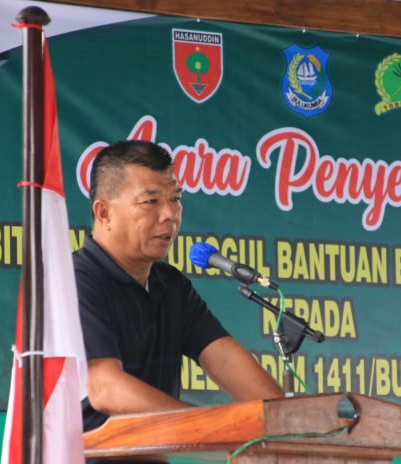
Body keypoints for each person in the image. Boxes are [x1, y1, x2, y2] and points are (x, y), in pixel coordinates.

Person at [74, 140, 283, 433]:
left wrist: (286, 424)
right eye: (151, 201)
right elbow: (105, 388)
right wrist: (210, 426)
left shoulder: (170, 285)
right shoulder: (76, 281)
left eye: (175, 199)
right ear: (104, 213)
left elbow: (224, 360)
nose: (170, 214)